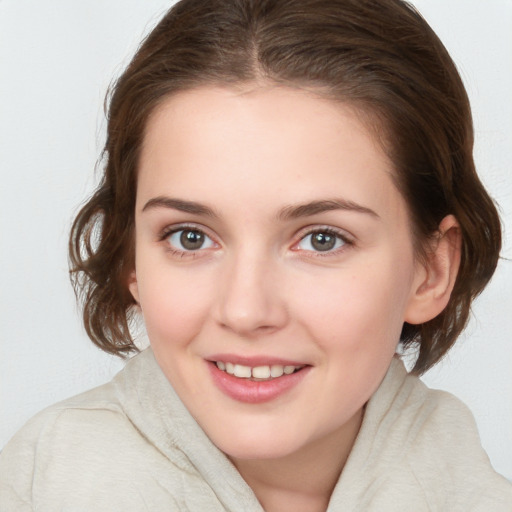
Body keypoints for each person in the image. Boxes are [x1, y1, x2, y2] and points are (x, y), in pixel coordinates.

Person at [1, 0, 511, 510]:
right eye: (190, 237)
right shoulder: (42, 488)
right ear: (130, 257)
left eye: (322, 239)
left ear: (431, 271)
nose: (245, 311)